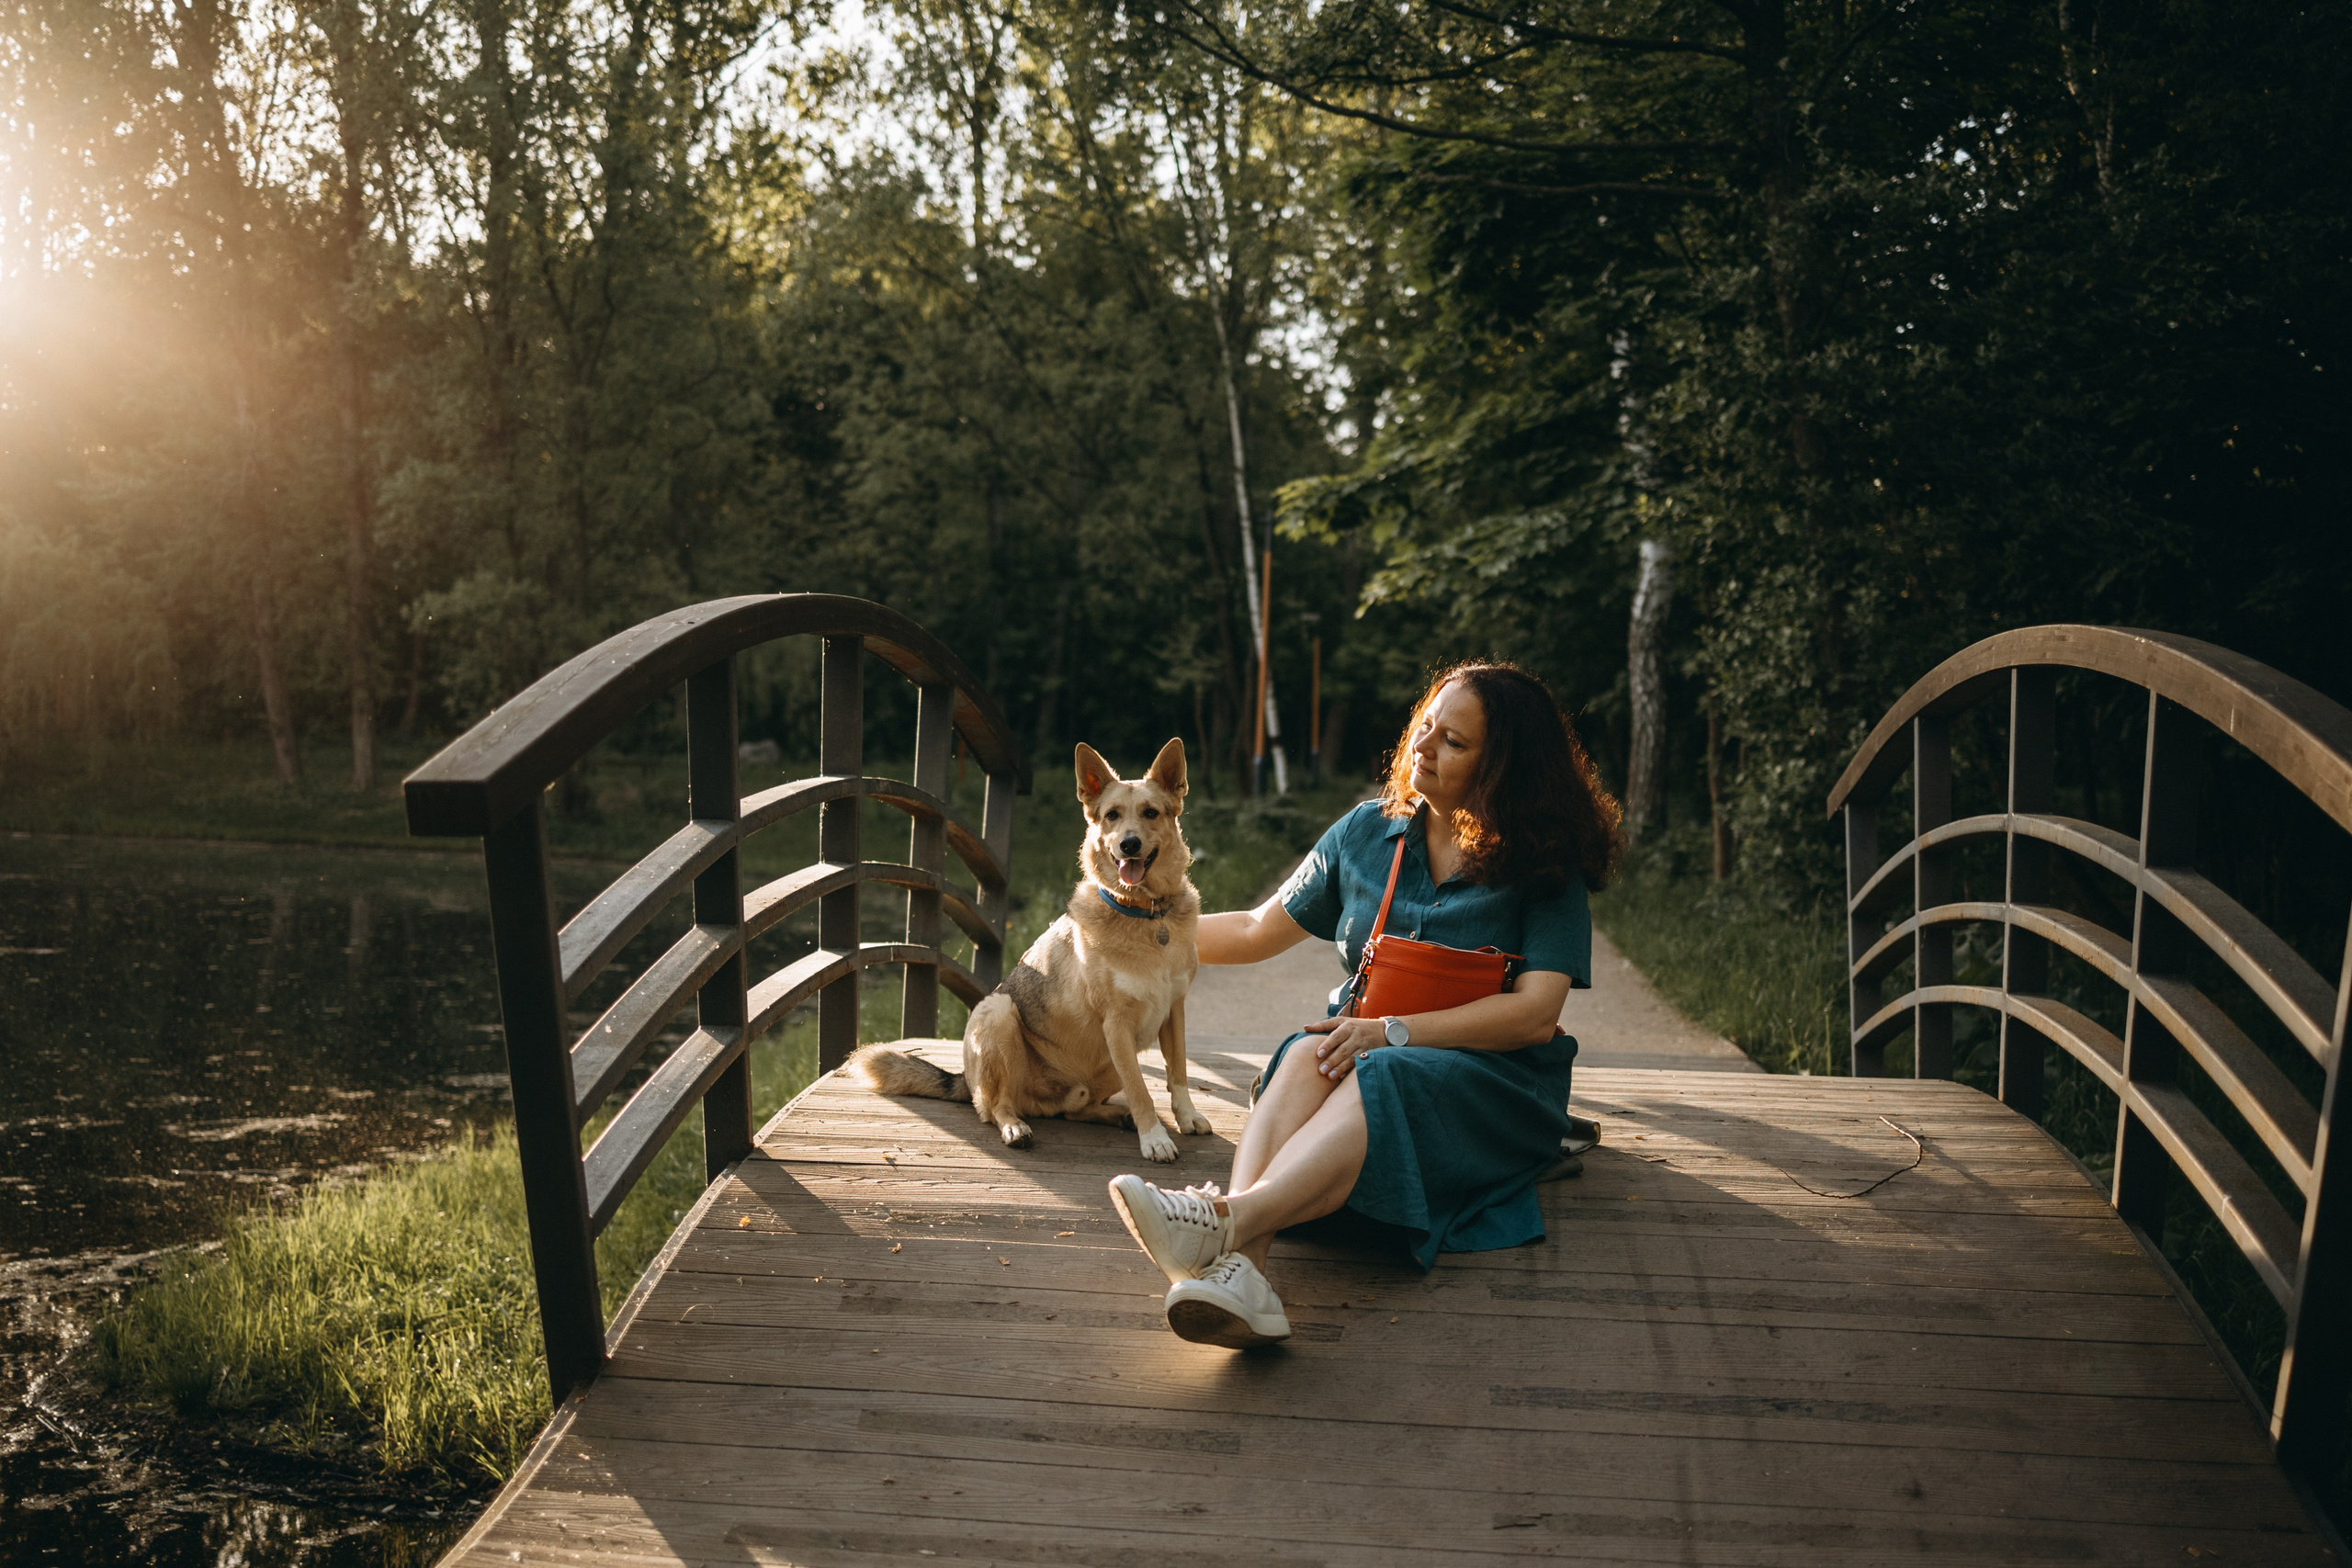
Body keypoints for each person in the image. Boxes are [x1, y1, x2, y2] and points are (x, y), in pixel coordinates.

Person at [1106, 660, 1625, 1347]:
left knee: (1375, 1062)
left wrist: (1392, 1030)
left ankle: (1223, 1219)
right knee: (1306, 1048)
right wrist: (1128, 927)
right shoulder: (1363, 834)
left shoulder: (1544, 862)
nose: (1424, 747)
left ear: (1504, 766)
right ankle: (1245, 1270)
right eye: (1426, 727)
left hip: (1498, 1085)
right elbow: (1262, 929)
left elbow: (1534, 1014)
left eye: (1454, 742)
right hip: (1372, 1051)